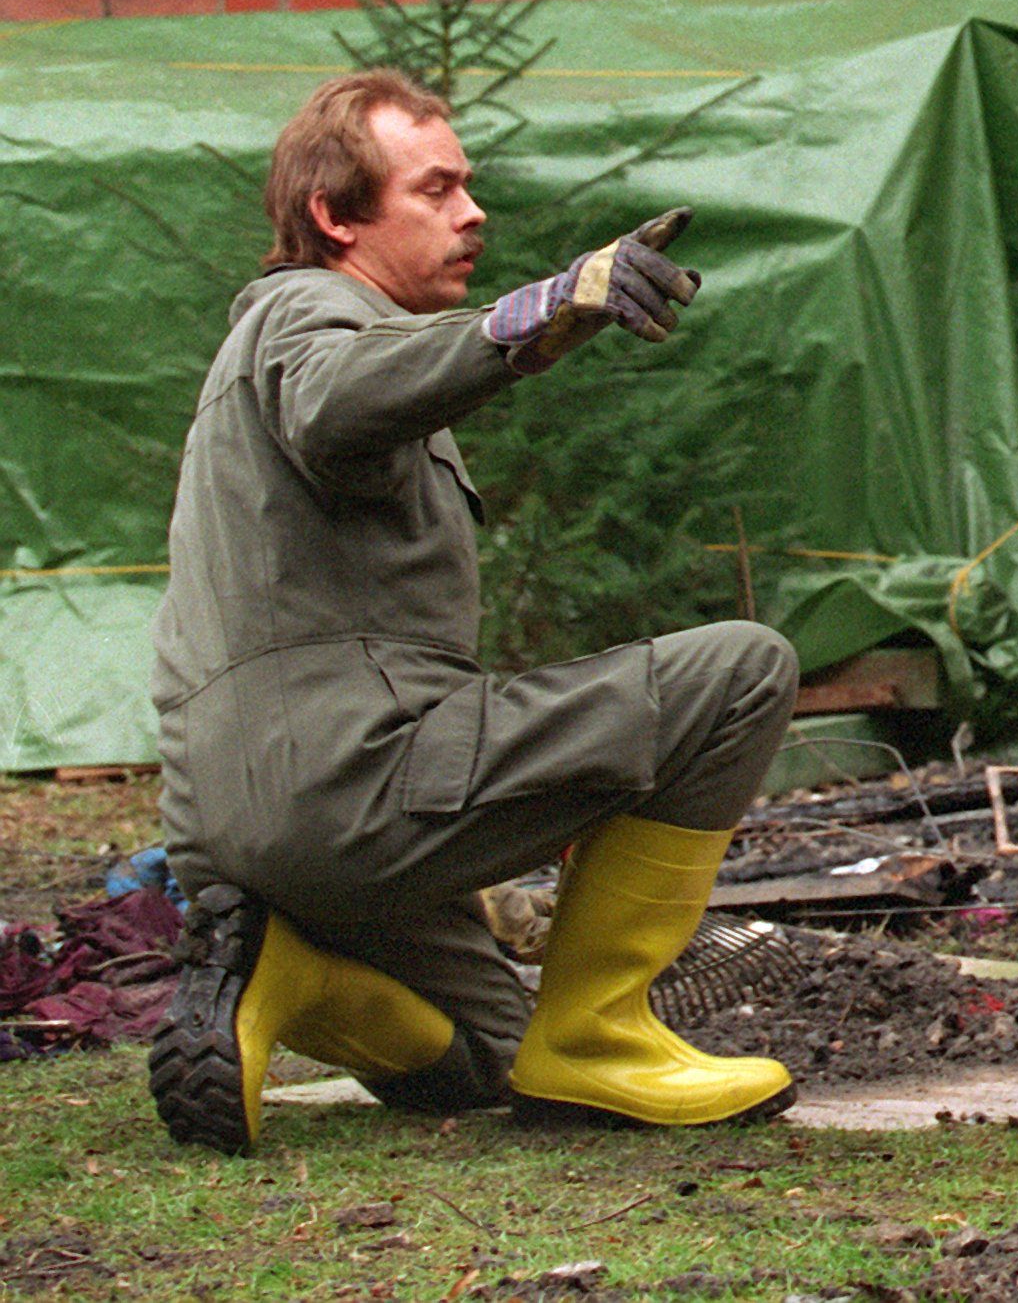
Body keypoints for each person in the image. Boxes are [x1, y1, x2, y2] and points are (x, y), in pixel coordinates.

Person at [145, 69, 802, 1154]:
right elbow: (337, 400)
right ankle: (598, 1036)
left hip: (237, 830)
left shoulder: (289, 353)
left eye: (468, 188)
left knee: (489, 1060)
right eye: (436, 190)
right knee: (737, 671)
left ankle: (289, 981)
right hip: (343, 784)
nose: (473, 212)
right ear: (335, 216)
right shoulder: (312, 312)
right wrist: (533, 315)